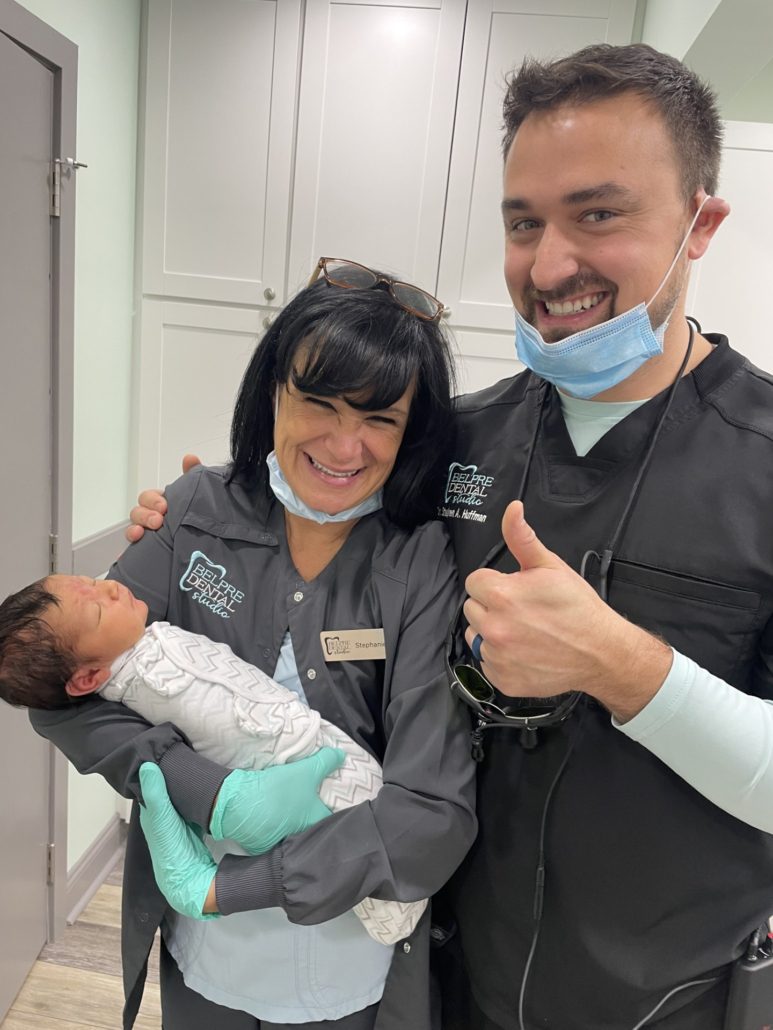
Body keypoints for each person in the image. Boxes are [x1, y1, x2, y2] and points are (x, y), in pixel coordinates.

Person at [128, 45, 773, 1030]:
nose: (548, 266)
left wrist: (622, 667)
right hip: (438, 974)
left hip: (668, 995)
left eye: (598, 214)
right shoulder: (452, 440)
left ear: (701, 223)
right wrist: (198, 520)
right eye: (523, 223)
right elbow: (317, 536)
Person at [28, 262, 477, 1030]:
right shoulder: (192, 512)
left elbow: (432, 809)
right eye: (318, 402)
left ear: (412, 431)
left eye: (379, 418)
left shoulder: (419, 562)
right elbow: (61, 686)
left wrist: (227, 886)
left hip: (346, 968)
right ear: (273, 390)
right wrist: (202, 789)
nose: (344, 444)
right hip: (204, 959)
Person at [0, 573, 427, 944]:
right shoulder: (154, 673)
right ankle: (396, 913)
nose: (110, 587)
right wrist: (277, 751)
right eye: (96, 611)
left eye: (92, 582)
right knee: (367, 836)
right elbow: (232, 711)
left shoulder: (140, 642)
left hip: (310, 758)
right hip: (299, 759)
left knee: (376, 832)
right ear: (88, 678)